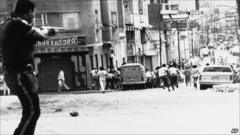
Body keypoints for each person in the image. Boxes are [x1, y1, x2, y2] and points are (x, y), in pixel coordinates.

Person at [0, 0, 56, 135]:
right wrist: (46, 30)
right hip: (19, 73)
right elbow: (40, 36)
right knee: (32, 111)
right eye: (33, 12)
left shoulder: (8, 24)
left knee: (31, 111)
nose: (34, 15)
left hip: (15, 73)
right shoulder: (18, 24)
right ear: (29, 11)